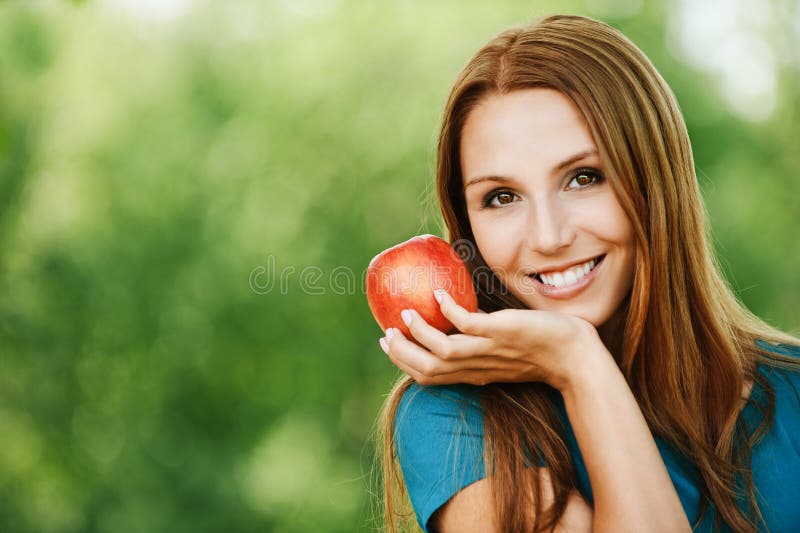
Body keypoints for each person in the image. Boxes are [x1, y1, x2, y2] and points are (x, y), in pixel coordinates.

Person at [373, 14, 800, 533]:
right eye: (502, 198)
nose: (549, 237)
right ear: (467, 226)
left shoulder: (792, 392)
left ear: (654, 180)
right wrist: (580, 365)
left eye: (584, 178)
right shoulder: (458, 420)